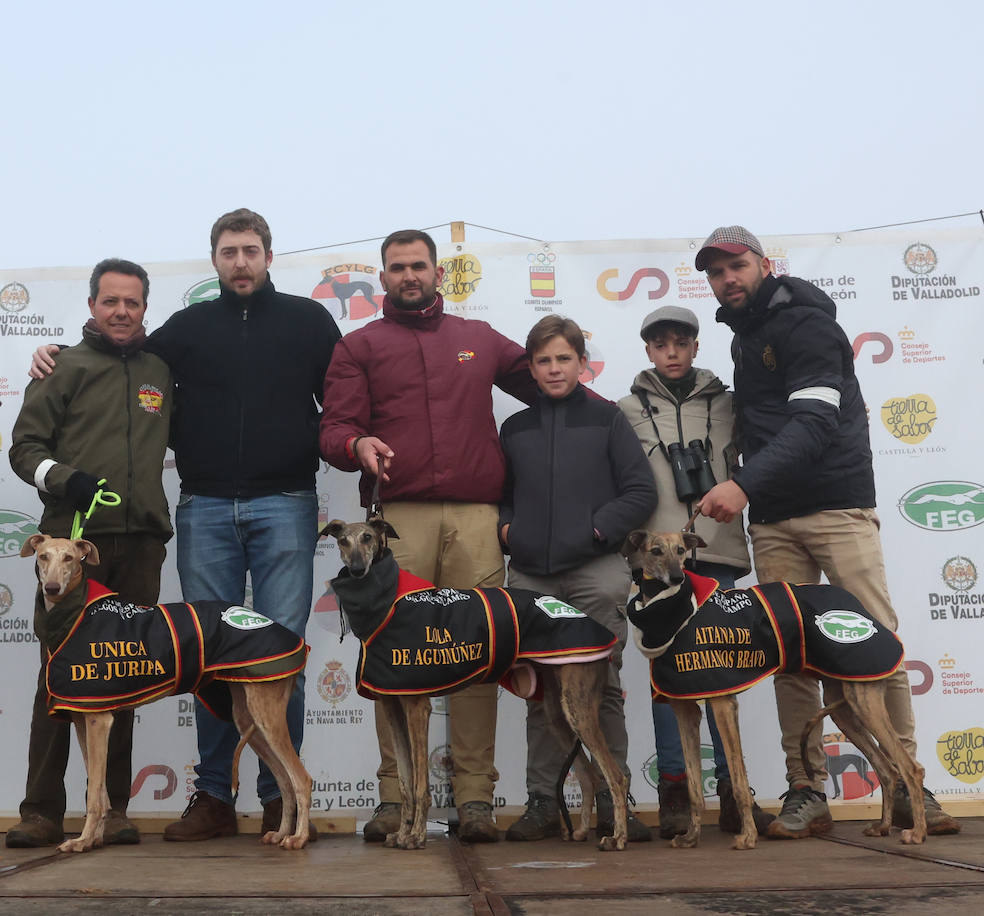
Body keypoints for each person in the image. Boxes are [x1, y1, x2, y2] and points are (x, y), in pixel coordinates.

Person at [30, 210, 339, 841]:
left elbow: (347, 394)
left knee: (279, 657)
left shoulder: (310, 321)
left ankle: (281, 798)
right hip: (202, 508)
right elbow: (116, 354)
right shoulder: (185, 330)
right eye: (229, 252)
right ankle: (214, 797)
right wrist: (51, 350)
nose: (241, 262)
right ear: (215, 260)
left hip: (285, 503)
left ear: (269, 256)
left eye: (251, 250)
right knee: (204, 660)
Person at [695, 225, 958, 838]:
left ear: (764, 264)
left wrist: (742, 485)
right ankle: (805, 788)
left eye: (735, 265)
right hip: (775, 519)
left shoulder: (808, 324)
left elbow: (813, 425)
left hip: (835, 506)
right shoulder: (745, 334)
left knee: (875, 644)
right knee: (790, 656)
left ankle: (906, 785)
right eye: (714, 271)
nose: (726, 279)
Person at [318, 229, 539, 843]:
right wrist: (355, 443)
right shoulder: (359, 345)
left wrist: (616, 423)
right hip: (397, 521)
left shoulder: (478, 339)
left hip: (476, 516)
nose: (408, 275)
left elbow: (553, 385)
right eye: (396, 268)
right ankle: (393, 799)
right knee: (391, 659)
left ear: (439, 273)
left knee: (477, 653)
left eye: (419, 265)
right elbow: (334, 426)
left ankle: (475, 801)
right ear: (381, 277)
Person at [5, 258, 173, 848]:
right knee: (59, 676)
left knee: (121, 674)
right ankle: (41, 810)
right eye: (110, 301)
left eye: (132, 302)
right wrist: (62, 476)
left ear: (145, 308)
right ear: (92, 306)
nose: (121, 311)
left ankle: (114, 808)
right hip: (72, 547)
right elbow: (23, 448)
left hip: (142, 545)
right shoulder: (63, 364)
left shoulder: (161, 370)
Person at [497, 314, 658, 843]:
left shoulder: (607, 419)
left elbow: (640, 493)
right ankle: (543, 802)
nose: (553, 369)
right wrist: (507, 530)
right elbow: (505, 494)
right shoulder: (515, 428)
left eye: (563, 358)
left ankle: (616, 802)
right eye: (543, 360)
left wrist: (594, 531)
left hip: (594, 574)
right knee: (540, 691)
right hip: (531, 580)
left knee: (602, 687)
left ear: (581, 362)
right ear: (531, 367)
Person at [616, 304, 772, 839]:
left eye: (681, 342)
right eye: (661, 344)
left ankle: (734, 795)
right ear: (648, 350)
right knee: (669, 683)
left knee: (723, 675)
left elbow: (768, 454)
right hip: (659, 562)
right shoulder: (625, 408)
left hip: (719, 551)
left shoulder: (731, 404)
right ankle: (677, 793)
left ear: (696, 346)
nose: (672, 352)